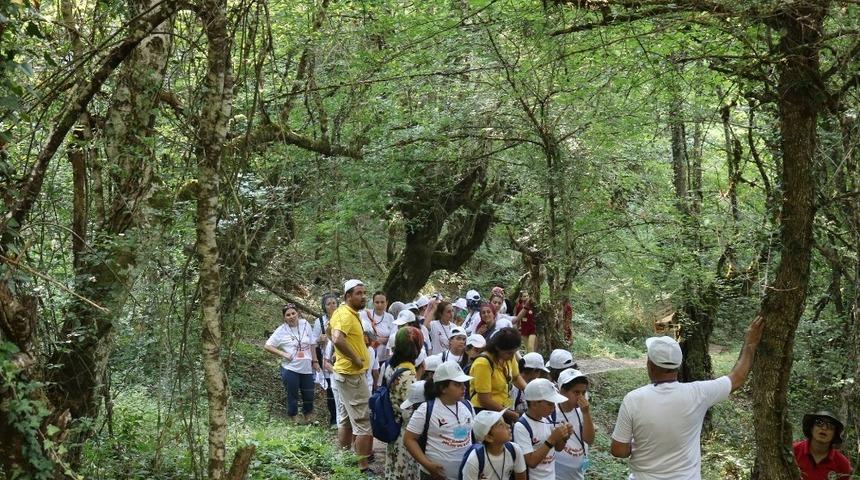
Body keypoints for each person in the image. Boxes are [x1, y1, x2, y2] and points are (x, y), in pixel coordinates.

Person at [610, 315, 765, 479]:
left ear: (650, 364)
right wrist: (750, 343)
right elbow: (737, 378)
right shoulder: (698, 393)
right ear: (678, 365)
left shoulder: (633, 400)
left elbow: (618, 450)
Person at [404, 361, 476, 480]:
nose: (464, 387)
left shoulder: (467, 406)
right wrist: (428, 465)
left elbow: (470, 435)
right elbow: (409, 439)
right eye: (457, 384)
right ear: (443, 388)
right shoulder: (426, 409)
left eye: (463, 383)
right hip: (434, 476)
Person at [330, 279, 373, 472]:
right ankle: (362, 467)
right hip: (352, 375)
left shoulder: (344, 313)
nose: (363, 296)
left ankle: (345, 459)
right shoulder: (345, 314)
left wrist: (340, 353)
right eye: (358, 293)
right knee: (364, 421)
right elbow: (337, 337)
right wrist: (355, 358)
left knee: (346, 419)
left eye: (364, 293)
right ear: (348, 296)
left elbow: (330, 331)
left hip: (346, 374)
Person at [264, 303, 320, 423]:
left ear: (297, 313)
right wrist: (283, 354)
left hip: (306, 367)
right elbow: (268, 346)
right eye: (288, 315)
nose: (291, 316)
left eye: (293, 313)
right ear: (284, 318)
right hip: (290, 368)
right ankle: (294, 417)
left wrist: (315, 361)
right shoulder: (281, 330)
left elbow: (312, 343)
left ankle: (308, 416)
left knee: (309, 394)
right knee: (292, 394)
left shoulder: (305, 324)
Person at [383, 326, 425, 480]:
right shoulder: (408, 375)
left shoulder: (391, 367)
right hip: (405, 433)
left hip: (394, 426)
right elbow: (410, 411)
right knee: (404, 471)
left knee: (394, 470)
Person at [513, 378, 574, 480]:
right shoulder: (521, 426)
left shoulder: (547, 419)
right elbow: (531, 462)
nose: (553, 408)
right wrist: (552, 439)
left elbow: (558, 448)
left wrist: (564, 437)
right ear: (534, 404)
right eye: (549, 404)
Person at [470, 327, 527, 423]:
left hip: (503, 409)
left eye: (514, 352)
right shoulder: (483, 363)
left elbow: (516, 377)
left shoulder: (508, 357)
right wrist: (509, 413)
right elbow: (484, 400)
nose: (512, 356)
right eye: (509, 353)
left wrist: (531, 392)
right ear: (497, 348)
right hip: (485, 413)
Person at [460, 410, 527, 480]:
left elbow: (521, 477)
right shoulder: (474, 460)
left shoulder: (514, 450)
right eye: (501, 425)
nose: (508, 425)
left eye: (504, 422)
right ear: (489, 437)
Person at [555, 368, 595, 479]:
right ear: (562, 391)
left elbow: (589, 439)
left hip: (577, 475)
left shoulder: (581, 411)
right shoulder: (551, 413)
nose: (581, 397)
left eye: (583, 392)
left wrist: (586, 413)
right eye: (576, 392)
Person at [793, 411, 853, 480]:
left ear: (834, 434)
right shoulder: (793, 451)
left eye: (830, 425)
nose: (824, 428)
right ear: (811, 428)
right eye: (819, 422)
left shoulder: (842, 463)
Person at [314, 292, 339, 427]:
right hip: (326, 358)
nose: (332, 306)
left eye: (334, 303)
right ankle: (334, 418)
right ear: (324, 306)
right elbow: (313, 341)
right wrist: (319, 339)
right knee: (330, 389)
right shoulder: (320, 322)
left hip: (341, 356)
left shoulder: (342, 318)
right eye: (328, 304)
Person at [360, 291, 395, 367]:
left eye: (382, 302)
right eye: (377, 302)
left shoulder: (390, 317)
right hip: (369, 356)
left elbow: (393, 337)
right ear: (373, 303)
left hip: (385, 357)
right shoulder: (364, 315)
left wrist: (384, 340)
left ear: (387, 302)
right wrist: (375, 339)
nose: (380, 305)